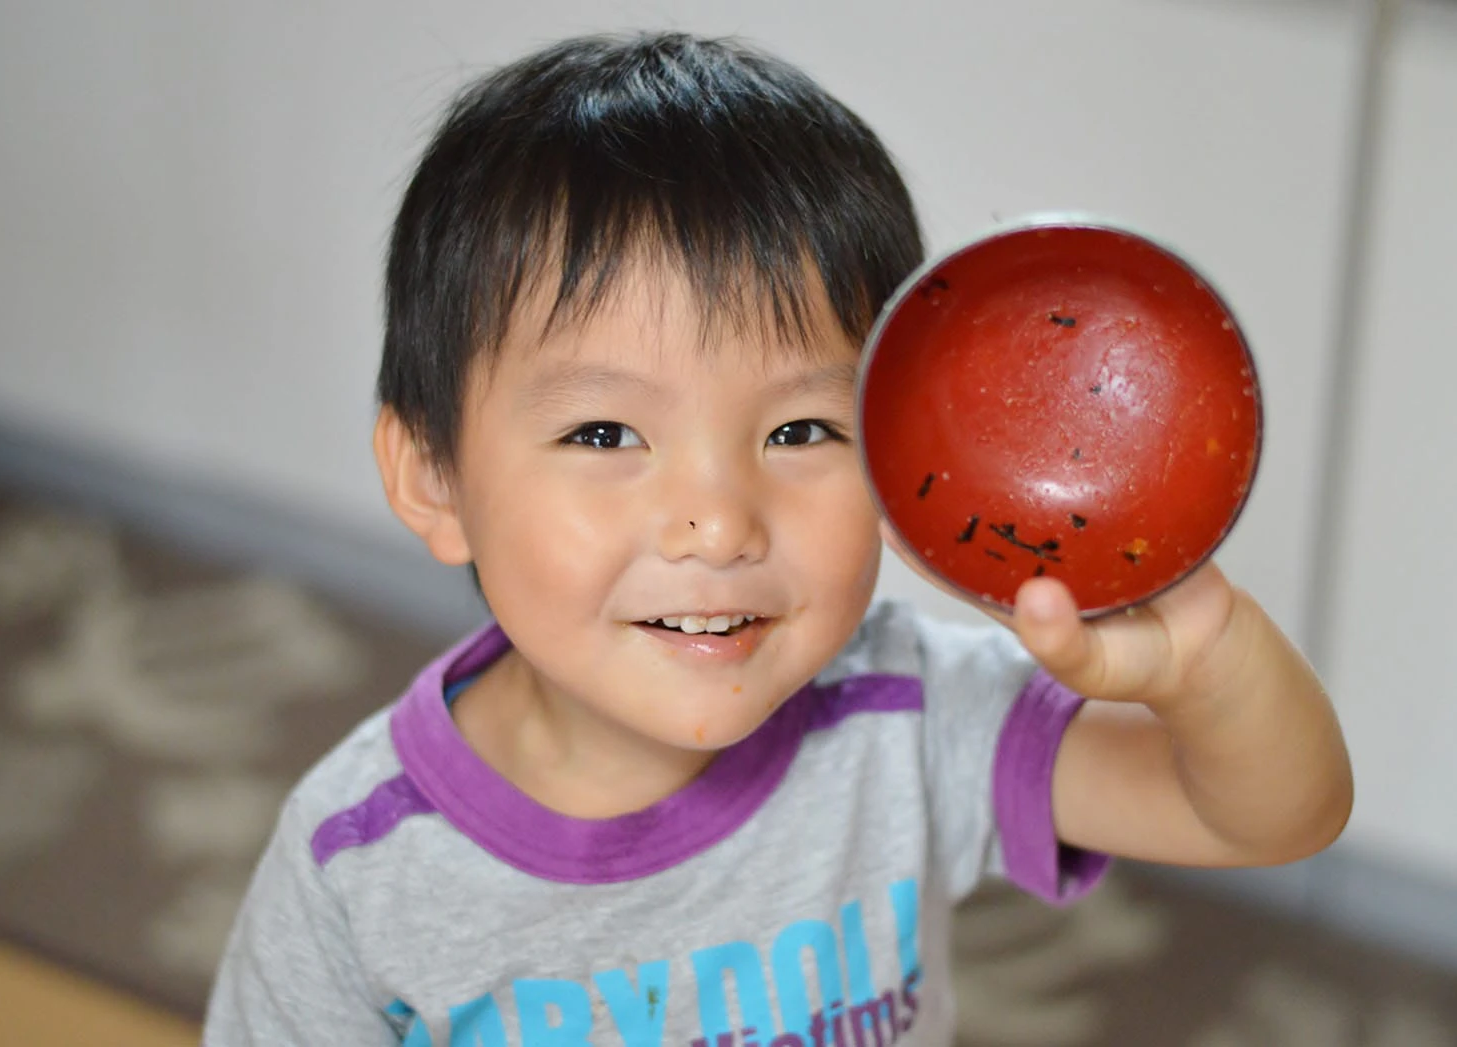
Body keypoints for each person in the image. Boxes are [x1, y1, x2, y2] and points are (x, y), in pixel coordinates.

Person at [204, 31, 1352, 1047]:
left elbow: (1267, 814)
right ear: (434, 478)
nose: (719, 521)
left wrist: (1209, 663)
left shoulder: (904, 715)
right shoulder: (358, 863)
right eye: (607, 431)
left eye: (803, 427)